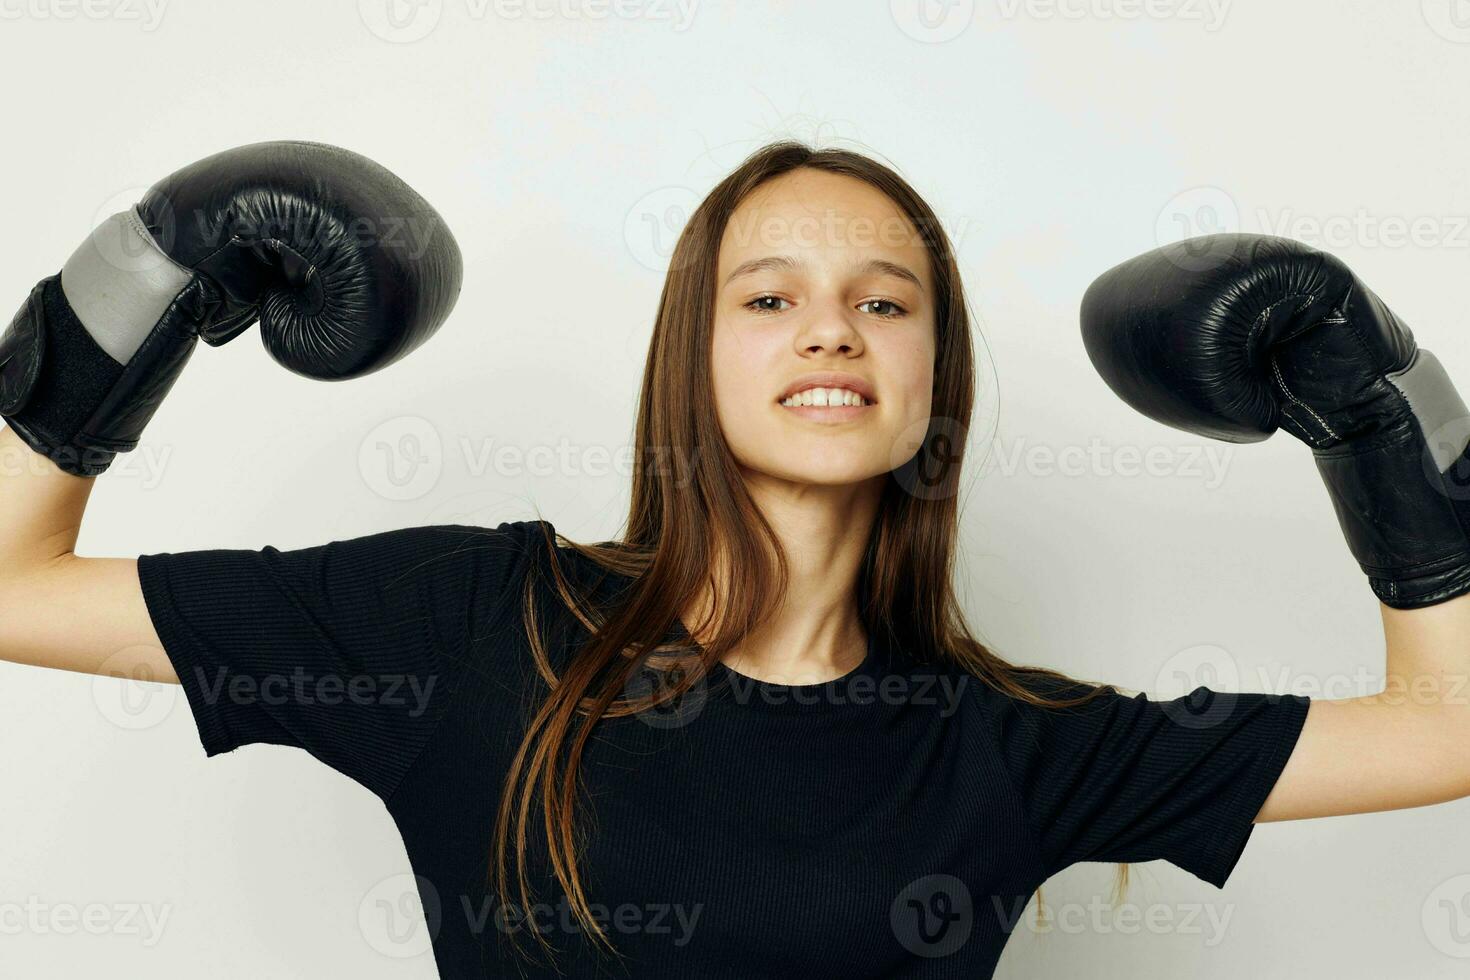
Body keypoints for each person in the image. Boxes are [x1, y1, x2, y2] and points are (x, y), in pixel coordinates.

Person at [3, 139, 1467, 979]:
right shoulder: (462, 619)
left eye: (885, 304)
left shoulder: (1008, 742)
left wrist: (1384, 413)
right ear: (689, 358)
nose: (832, 330)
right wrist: (137, 280)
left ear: (931, 374)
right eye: (769, 296)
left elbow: (1445, 728)